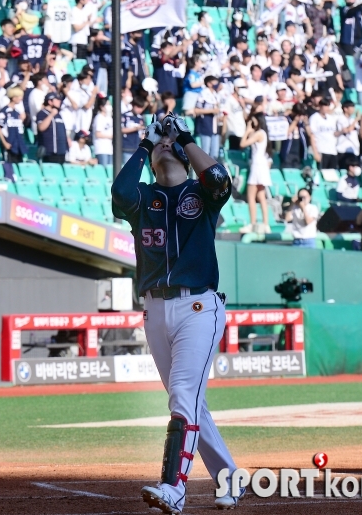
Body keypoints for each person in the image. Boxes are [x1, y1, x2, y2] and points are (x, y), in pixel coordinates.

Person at [111, 114, 242, 513]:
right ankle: (231, 477)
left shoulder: (201, 195)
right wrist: (148, 144)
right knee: (190, 404)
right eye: (161, 146)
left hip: (198, 306)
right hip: (154, 310)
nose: (166, 145)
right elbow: (119, 192)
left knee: (183, 399)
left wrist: (182, 137)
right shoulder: (142, 199)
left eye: (174, 146)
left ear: (185, 158)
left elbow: (220, 179)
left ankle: (174, 488)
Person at [239, 116, 272, 234]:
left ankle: (252, 224)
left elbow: (243, 143)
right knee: (261, 196)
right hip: (261, 165)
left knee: (251, 196)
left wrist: (247, 130)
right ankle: (266, 224)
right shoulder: (261, 133)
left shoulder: (259, 133)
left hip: (258, 165)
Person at [0, 87, 27, 164]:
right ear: (13, 97)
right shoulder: (4, 111)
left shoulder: (16, 112)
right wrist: (4, 143)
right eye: (19, 96)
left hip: (18, 145)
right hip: (9, 144)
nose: (21, 98)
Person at [36, 92, 69, 163]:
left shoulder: (59, 115)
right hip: (49, 152)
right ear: (50, 101)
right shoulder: (42, 113)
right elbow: (41, 127)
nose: (59, 102)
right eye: (57, 100)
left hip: (61, 151)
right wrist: (51, 115)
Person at [194, 75, 221, 160]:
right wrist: (212, 111)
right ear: (209, 83)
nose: (217, 84)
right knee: (205, 151)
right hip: (205, 124)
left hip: (215, 125)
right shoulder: (203, 94)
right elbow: (196, 110)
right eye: (214, 82)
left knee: (215, 153)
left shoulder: (216, 94)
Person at [309, 97, 339, 169]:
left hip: (332, 151)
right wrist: (315, 152)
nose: (326, 108)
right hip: (321, 150)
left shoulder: (331, 118)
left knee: (332, 173)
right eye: (324, 106)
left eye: (327, 106)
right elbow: (312, 135)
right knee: (322, 172)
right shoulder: (314, 118)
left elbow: (334, 133)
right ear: (320, 106)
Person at [92, 95, 113, 166]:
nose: (109, 106)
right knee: (104, 169)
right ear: (101, 107)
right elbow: (98, 134)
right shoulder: (98, 118)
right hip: (101, 149)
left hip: (109, 149)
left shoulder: (109, 118)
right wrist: (111, 136)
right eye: (107, 104)